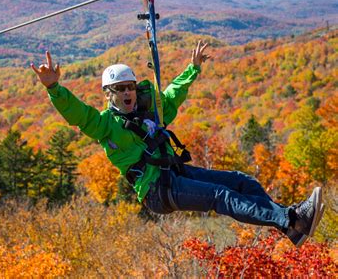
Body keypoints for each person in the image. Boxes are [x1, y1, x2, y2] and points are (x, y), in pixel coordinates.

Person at [30, 41, 324, 248]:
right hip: (157, 190)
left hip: (175, 174)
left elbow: (172, 95)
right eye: (120, 89)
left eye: (130, 86)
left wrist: (192, 68)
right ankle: (291, 219)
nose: (128, 92)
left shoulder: (149, 113)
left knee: (241, 182)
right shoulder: (106, 125)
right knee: (220, 195)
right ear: (108, 94)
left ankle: (292, 226)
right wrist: (54, 88)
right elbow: (79, 114)